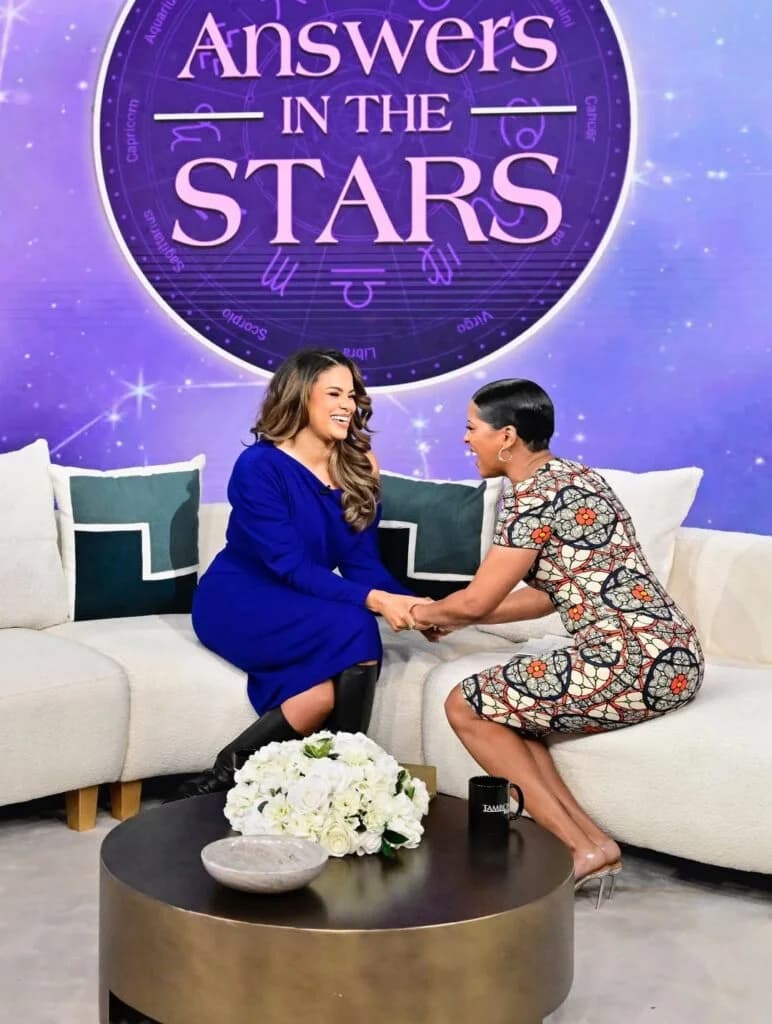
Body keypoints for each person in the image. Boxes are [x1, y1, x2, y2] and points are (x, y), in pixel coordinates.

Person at [409, 379, 704, 892]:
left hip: (630, 664)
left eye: (471, 429)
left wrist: (421, 612)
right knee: (510, 710)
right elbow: (551, 595)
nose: (465, 440)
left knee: (466, 705)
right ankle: (595, 846)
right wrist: (456, 619)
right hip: (675, 654)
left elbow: (478, 599)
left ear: (506, 436)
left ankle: (576, 847)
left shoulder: (531, 497)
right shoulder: (577, 477)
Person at [176, 349, 432, 799]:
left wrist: (418, 607)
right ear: (299, 396)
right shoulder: (259, 466)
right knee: (355, 624)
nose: (347, 405)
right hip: (237, 600)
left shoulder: (358, 466)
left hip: (303, 601)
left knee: (317, 699)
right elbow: (289, 564)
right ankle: (353, 786)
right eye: (334, 394)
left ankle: (215, 783)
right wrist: (376, 602)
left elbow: (362, 564)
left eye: (351, 395)